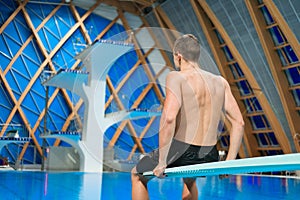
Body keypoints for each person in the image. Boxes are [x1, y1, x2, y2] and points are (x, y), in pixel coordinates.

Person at [131, 34, 244, 200]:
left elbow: (169, 118)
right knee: (190, 180)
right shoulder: (220, 82)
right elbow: (239, 123)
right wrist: (229, 162)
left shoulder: (176, 77)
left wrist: (162, 161)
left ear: (178, 55)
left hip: (181, 151)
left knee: (137, 175)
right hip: (209, 153)